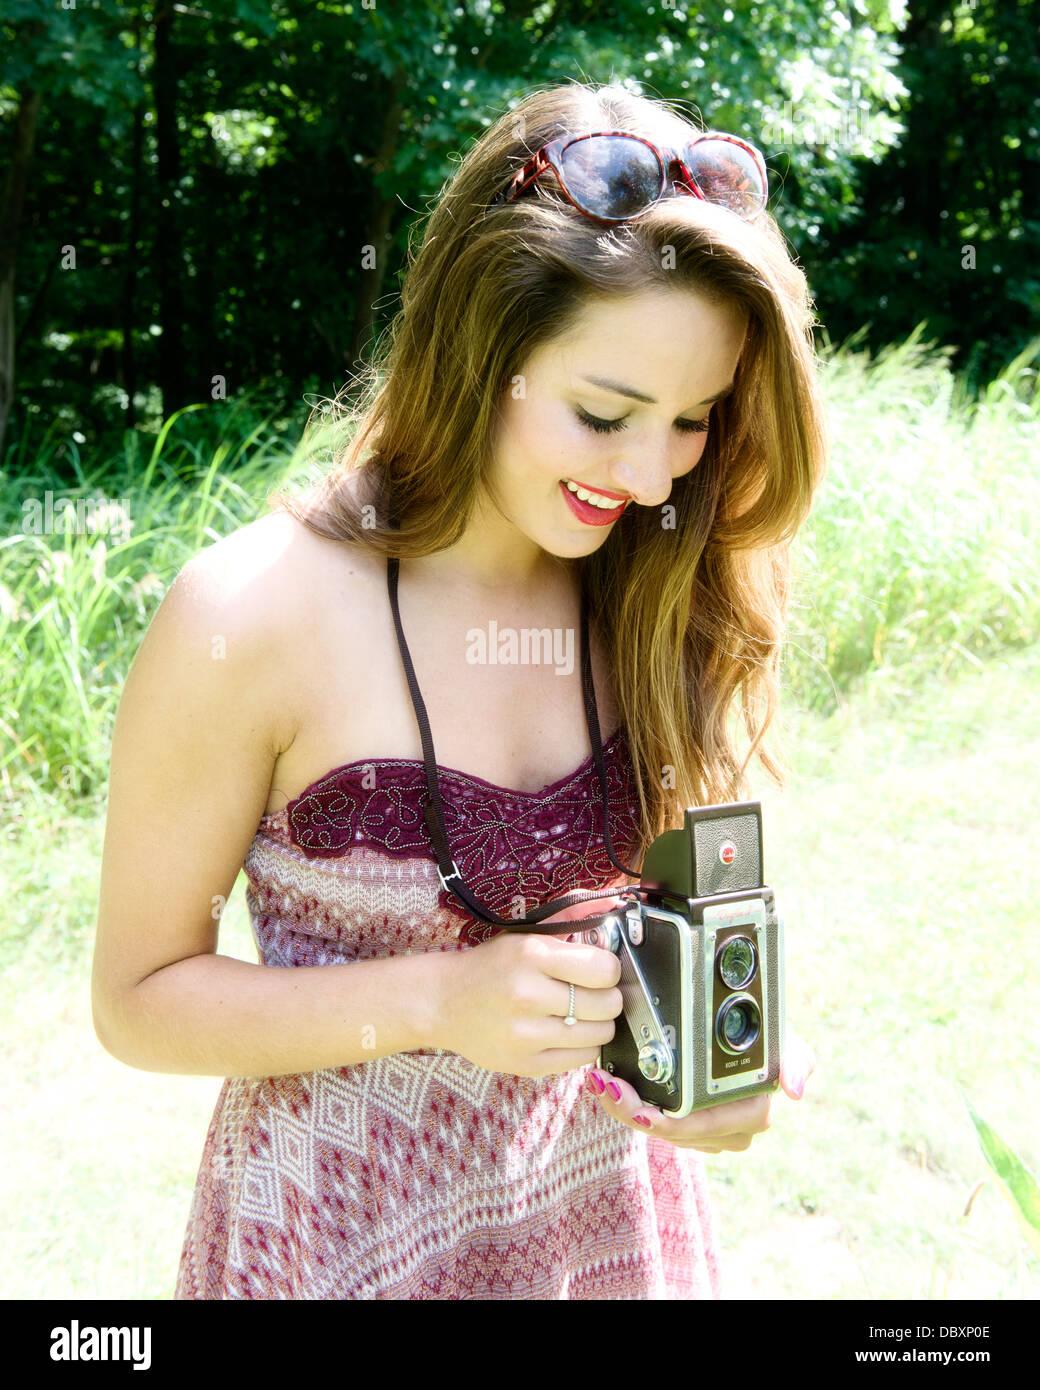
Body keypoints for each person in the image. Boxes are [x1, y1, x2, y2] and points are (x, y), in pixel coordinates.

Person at [91, 78, 823, 1300]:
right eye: (604, 414)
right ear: (479, 349)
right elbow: (137, 1000)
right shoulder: (249, 614)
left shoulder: (647, 584)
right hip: (344, 1240)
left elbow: (683, 911)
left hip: (603, 1233)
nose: (650, 475)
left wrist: (727, 1050)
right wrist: (436, 997)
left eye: (694, 419)